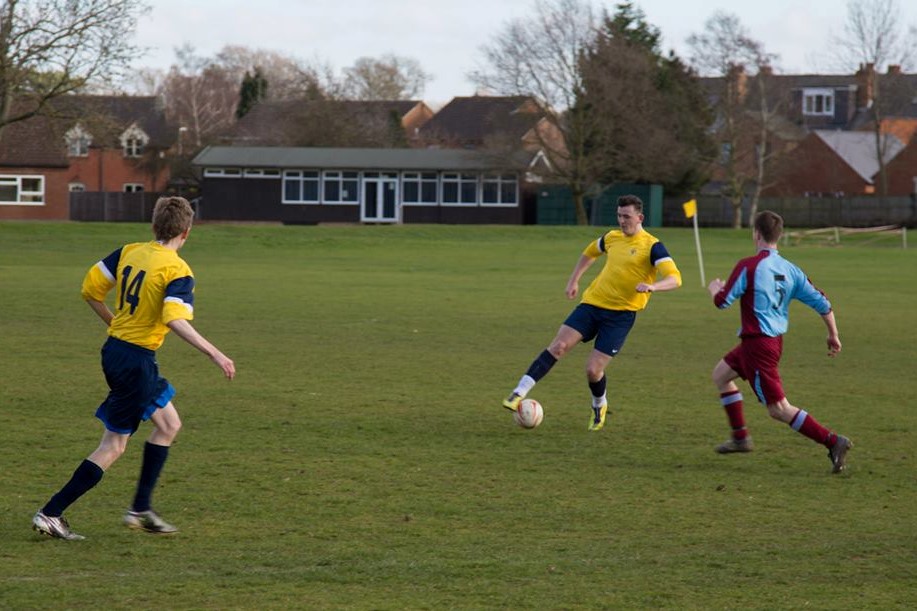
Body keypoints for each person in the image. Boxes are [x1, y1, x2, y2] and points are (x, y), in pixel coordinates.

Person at [32, 196, 236, 540]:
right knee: (113, 445)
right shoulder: (177, 269)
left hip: (119, 353)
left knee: (169, 424)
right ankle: (51, 512)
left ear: (154, 225)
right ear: (186, 232)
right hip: (135, 361)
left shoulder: (129, 251)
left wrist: (116, 325)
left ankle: (140, 509)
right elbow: (175, 319)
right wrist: (215, 353)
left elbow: (90, 289)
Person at [502, 195, 682, 430]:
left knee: (593, 369)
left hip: (620, 316)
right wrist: (573, 280)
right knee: (558, 346)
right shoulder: (612, 237)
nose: (621, 221)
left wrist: (653, 286)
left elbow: (675, 278)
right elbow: (589, 253)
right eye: (619, 216)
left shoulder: (652, 246)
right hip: (592, 305)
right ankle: (519, 391)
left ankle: (599, 403)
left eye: (626, 216)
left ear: (640, 217)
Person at [707, 210, 851, 473]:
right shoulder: (791, 270)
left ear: (756, 234)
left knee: (778, 409)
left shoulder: (748, 266)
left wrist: (715, 288)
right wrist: (833, 334)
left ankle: (833, 441)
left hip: (758, 346)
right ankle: (741, 438)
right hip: (768, 342)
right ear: (779, 236)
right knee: (721, 375)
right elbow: (823, 303)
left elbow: (722, 301)